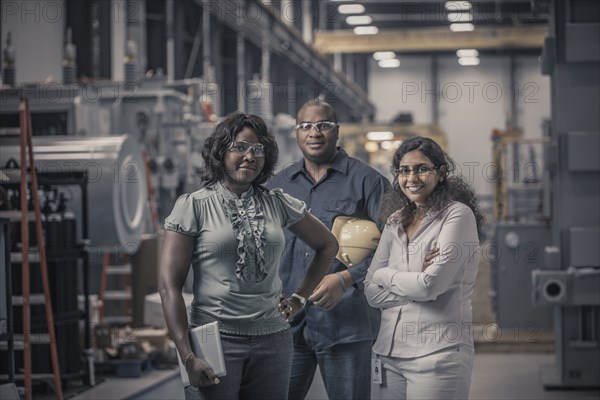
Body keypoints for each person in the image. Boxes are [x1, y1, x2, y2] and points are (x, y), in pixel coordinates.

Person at [159, 111, 338, 400]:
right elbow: (169, 287)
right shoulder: (193, 206)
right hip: (214, 341)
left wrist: (298, 299)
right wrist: (188, 356)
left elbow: (327, 245)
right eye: (240, 147)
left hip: (274, 342)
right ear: (221, 152)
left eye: (258, 150)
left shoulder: (277, 203)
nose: (250, 156)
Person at [268, 98, 391, 400]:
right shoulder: (278, 186)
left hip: (345, 322)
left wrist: (345, 279)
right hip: (287, 325)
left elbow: (393, 246)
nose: (314, 132)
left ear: (337, 131)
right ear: (296, 133)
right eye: (306, 126)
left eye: (323, 125)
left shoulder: (368, 183)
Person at [364, 136, 483, 400]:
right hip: (388, 353)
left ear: (440, 173)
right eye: (404, 170)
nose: (412, 177)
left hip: (438, 354)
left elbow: (430, 286)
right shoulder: (396, 220)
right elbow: (370, 293)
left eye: (421, 168)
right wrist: (415, 282)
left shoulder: (457, 215)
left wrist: (385, 275)